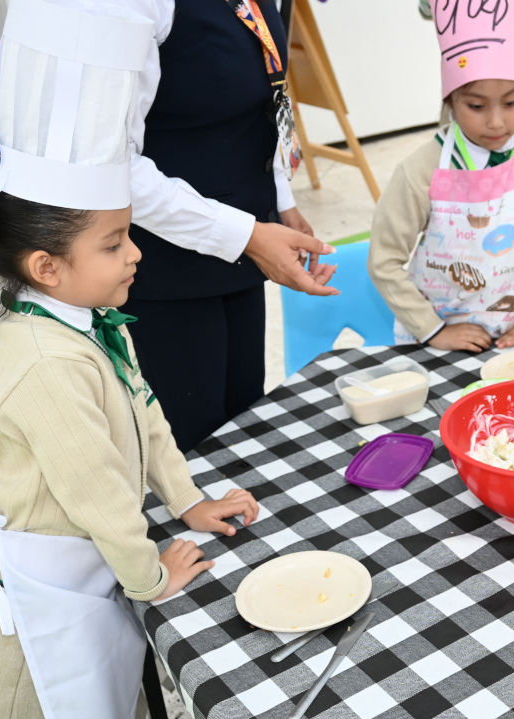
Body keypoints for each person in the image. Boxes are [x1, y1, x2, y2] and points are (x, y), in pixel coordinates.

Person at [0, 5, 258, 719]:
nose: (135, 253)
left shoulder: (93, 317)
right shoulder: (42, 360)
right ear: (46, 266)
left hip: (90, 561)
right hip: (42, 588)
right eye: (113, 243)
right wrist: (150, 575)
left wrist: (187, 502)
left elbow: (147, 417)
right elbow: (98, 490)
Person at [121, 0, 338, 452]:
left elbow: (266, 96)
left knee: (245, 419)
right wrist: (249, 235)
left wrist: (280, 199)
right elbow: (115, 163)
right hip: (165, 256)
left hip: (245, 244)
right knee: (191, 437)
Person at [367, 0, 514, 354]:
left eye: (512, 103)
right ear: (450, 101)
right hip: (444, 343)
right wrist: (433, 329)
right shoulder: (421, 171)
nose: (496, 122)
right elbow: (384, 260)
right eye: (476, 106)